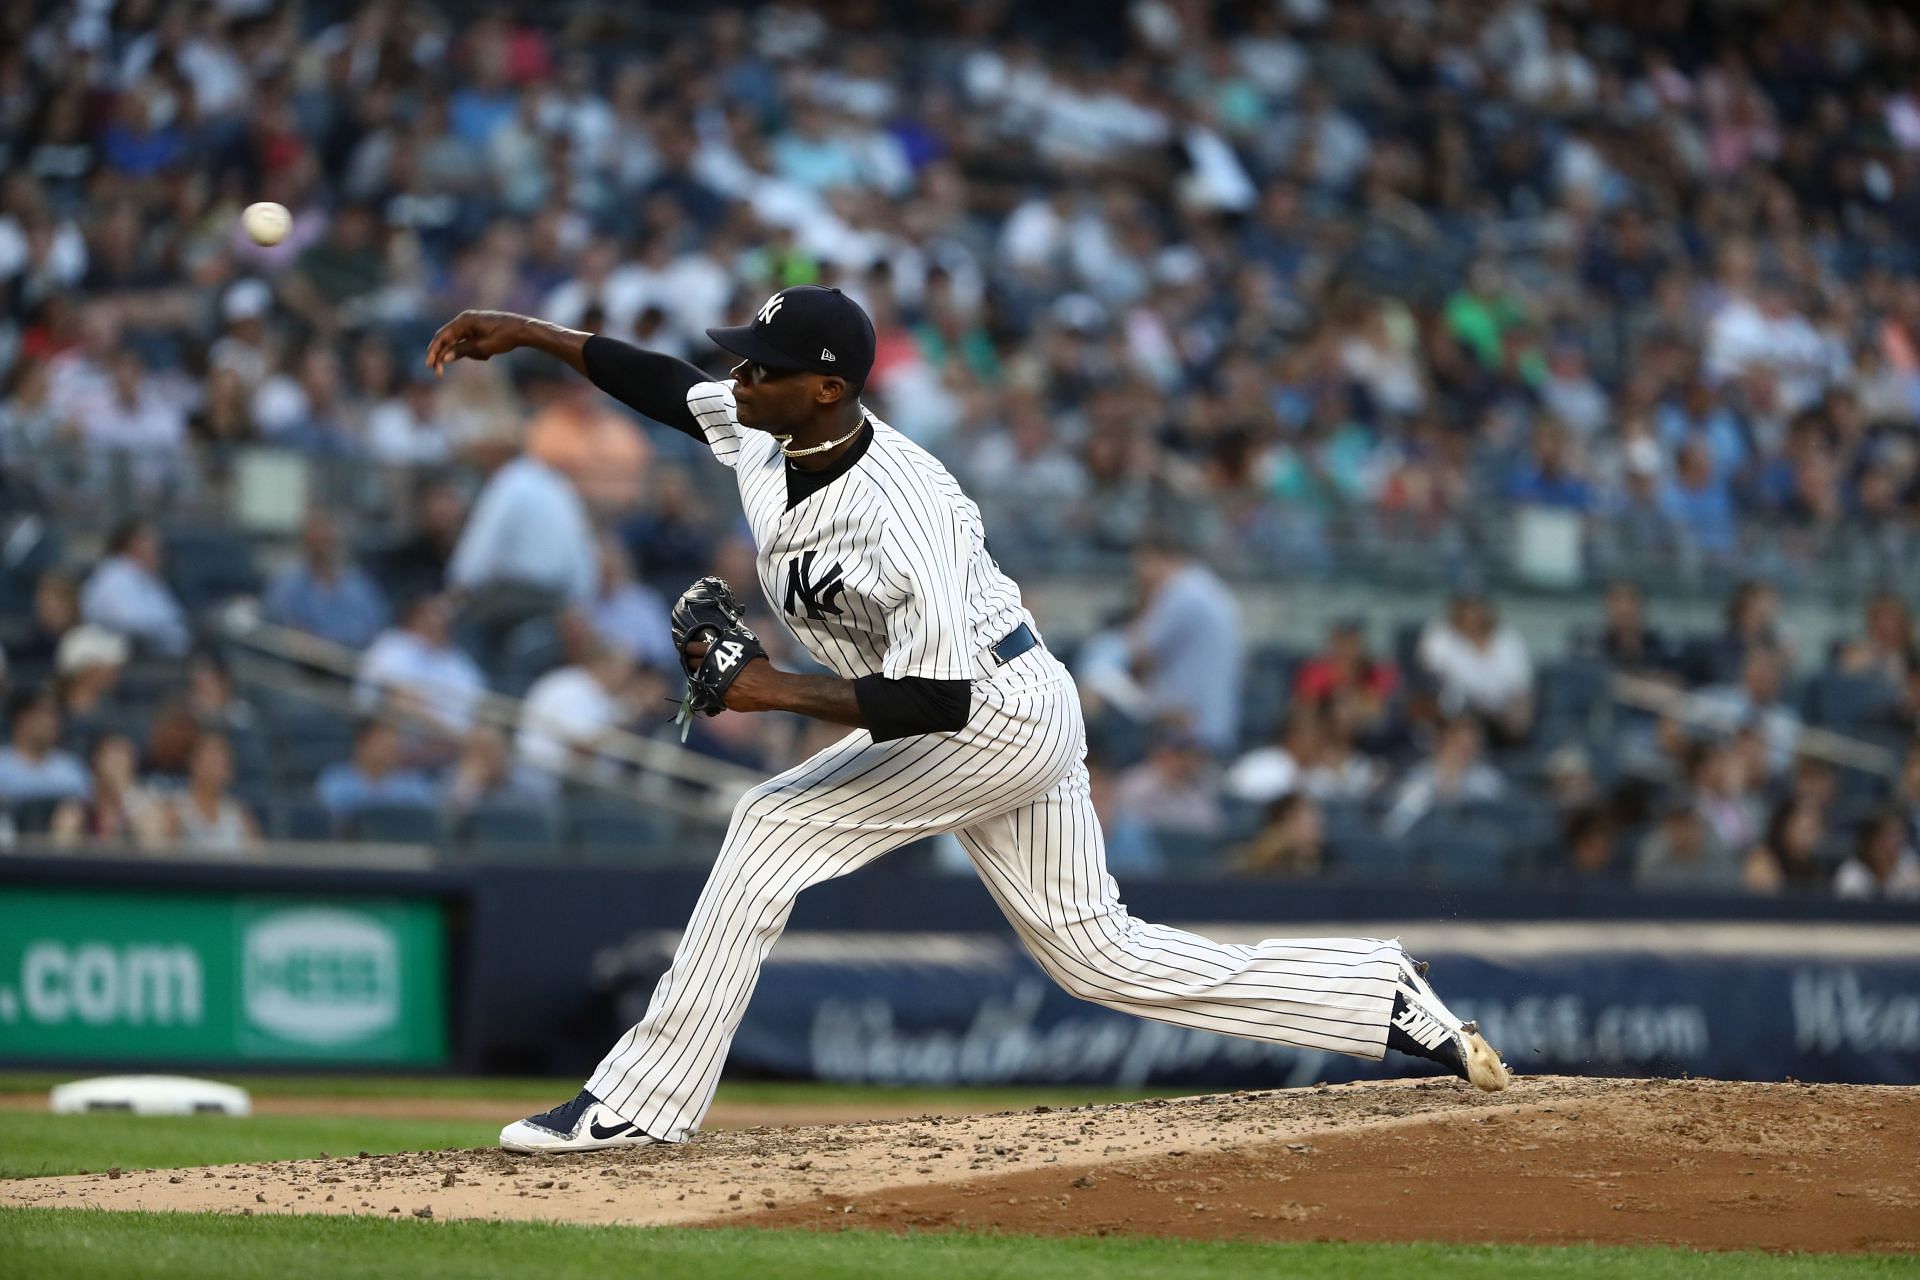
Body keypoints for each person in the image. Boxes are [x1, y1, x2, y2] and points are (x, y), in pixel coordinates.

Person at [426, 287, 1508, 1153]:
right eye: (743, 358)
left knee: (769, 824)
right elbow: (667, 386)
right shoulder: (767, 431)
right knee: (1099, 955)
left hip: (992, 706)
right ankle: (1377, 992)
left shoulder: (907, 504)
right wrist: (528, 334)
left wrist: (772, 692)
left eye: (761, 366)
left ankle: (642, 1104)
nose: (739, 377)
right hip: (988, 707)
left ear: (828, 386)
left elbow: (942, 698)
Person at [354, 593, 486, 738]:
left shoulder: (461, 664)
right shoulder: (392, 644)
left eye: (441, 616)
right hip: (391, 738)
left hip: (448, 748)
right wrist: (450, 735)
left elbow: (478, 709)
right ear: (413, 617)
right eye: (429, 614)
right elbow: (397, 697)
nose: (436, 620)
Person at [262, 511, 390, 651]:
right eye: (316, 541)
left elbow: (376, 629)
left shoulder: (359, 586)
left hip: (351, 664)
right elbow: (277, 628)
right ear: (305, 543)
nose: (322, 549)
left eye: (327, 540)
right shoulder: (286, 584)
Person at [1416, 592, 1533, 743]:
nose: (1473, 615)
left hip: (1502, 714)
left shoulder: (1507, 638)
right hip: (1459, 711)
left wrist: (1517, 709)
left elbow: (1521, 686)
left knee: (1520, 715)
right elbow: (1431, 677)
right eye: (1467, 608)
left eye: (1477, 608)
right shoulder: (1441, 635)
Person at [78, 518, 190, 656]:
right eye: (151, 542)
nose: (158, 549)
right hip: (119, 660)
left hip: (157, 659)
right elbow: (135, 624)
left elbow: (177, 623)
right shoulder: (113, 574)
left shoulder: (148, 578)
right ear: (133, 544)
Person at [49, 731, 164, 849]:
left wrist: (125, 791)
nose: (120, 763)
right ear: (95, 762)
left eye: (127, 756)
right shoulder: (76, 808)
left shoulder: (145, 805)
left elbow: (154, 845)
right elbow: (60, 852)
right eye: (113, 755)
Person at [156, 732, 261, 857]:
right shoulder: (175, 811)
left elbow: (256, 858)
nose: (215, 769)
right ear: (193, 764)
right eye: (210, 762)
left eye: (221, 763)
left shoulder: (240, 815)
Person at [315, 719, 439, 820]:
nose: (390, 744)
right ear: (362, 741)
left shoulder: (412, 785)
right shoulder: (335, 780)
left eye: (393, 737)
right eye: (381, 738)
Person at [0, 686, 90, 810]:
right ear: (22, 718)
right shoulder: (3, 765)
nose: (53, 722)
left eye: (55, 715)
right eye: (45, 714)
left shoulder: (71, 768)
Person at [1834, 812, 1920, 901]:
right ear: (1869, 842)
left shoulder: (1907, 865)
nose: (1892, 845)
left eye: (1899, 838)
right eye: (1886, 838)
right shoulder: (1852, 875)